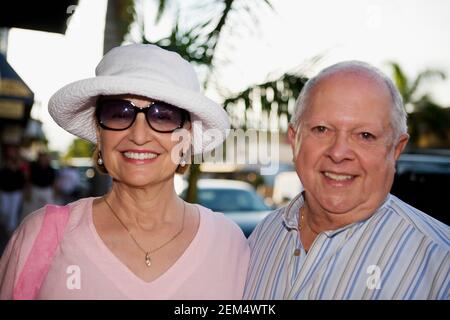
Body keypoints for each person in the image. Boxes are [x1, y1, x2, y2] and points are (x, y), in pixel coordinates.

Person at [0, 44, 249, 299]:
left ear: (186, 136)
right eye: (119, 113)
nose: (139, 136)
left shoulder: (227, 243)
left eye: (163, 116)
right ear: (99, 132)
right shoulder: (40, 236)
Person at [244, 61, 449, 300]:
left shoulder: (441, 264)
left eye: (365, 135)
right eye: (322, 129)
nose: (339, 152)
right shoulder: (262, 236)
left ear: (396, 149)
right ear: (294, 139)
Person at [0, 145, 26, 235]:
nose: (11, 152)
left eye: (13, 150)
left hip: (16, 191)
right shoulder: (4, 160)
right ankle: (7, 224)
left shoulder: (20, 161)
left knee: (13, 211)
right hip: (4, 190)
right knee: (4, 210)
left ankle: (11, 230)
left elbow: (24, 173)